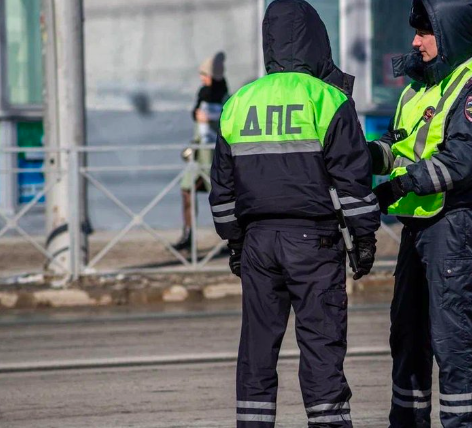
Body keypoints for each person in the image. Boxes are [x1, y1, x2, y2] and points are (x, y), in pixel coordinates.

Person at [209, 0, 380, 426]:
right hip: (313, 242)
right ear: (316, 40)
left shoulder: (239, 102)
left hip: (257, 244)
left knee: (257, 350)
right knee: (321, 345)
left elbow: (222, 187)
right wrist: (364, 238)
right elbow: (352, 178)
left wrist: (234, 241)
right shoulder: (328, 99)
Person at [367, 1, 472, 426]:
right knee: (406, 333)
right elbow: (400, 143)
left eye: (424, 33)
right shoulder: (418, 86)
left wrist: (402, 184)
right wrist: (365, 155)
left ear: (447, 34)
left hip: (453, 221)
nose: (414, 41)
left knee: (451, 337)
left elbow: (460, 159)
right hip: (417, 224)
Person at [173, 53, 230, 251]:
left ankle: (232, 238)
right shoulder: (202, 93)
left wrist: (211, 119)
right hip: (198, 153)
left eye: (204, 74)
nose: (201, 78)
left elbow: (226, 118)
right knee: (186, 189)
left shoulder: (224, 96)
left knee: (222, 195)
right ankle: (188, 234)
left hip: (214, 155)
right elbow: (196, 115)